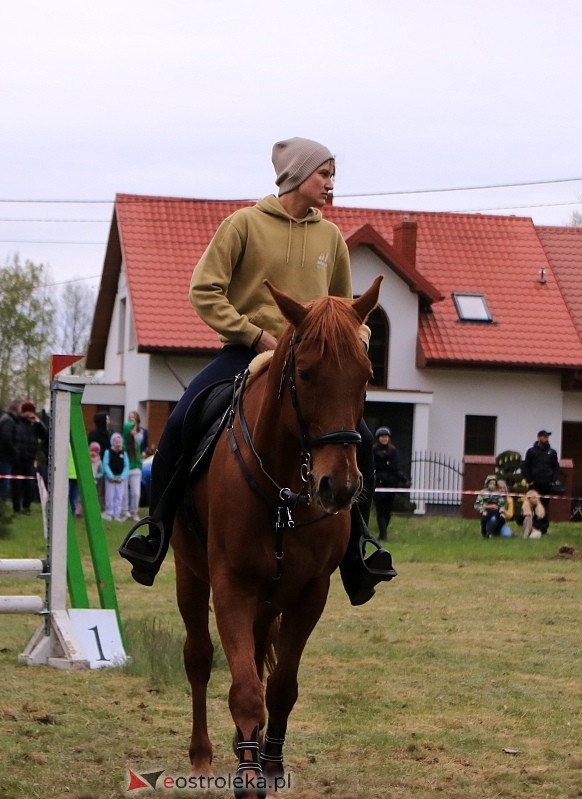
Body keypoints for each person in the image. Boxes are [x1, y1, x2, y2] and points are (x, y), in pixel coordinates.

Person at [120, 136, 395, 604]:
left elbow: (350, 310)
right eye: (323, 174)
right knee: (182, 422)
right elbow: (205, 290)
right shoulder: (242, 225)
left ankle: (356, 552)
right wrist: (255, 335)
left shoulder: (331, 237)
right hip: (246, 352)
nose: (330, 185)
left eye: (333, 176)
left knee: (362, 442)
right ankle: (156, 532)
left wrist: (351, 343)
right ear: (295, 175)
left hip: (311, 364)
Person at [372, 426, 407, 541]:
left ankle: (383, 533)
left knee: (388, 511)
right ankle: (383, 535)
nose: (384, 439)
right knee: (380, 510)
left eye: (386, 437)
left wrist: (403, 479)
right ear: (378, 438)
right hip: (378, 485)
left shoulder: (393, 451)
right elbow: (373, 466)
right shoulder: (373, 451)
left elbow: (395, 467)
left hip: (390, 485)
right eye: (382, 437)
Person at [11, 401, 46, 514]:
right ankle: (17, 507)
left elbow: (45, 435)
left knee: (29, 484)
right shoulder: (17, 423)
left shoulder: (35, 425)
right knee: (17, 484)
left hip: (30, 458)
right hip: (18, 458)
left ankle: (26, 506)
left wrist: (38, 421)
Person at [522, 429, 560, 511]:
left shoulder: (552, 452)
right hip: (534, 483)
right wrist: (529, 479)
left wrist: (553, 479)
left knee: (545, 504)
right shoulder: (531, 451)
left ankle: (543, 522)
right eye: (544, 437)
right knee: (532, 503)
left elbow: (556, 467)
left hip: (547, 483)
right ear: (539, 438)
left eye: (547, 437)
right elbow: (526, 466)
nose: (546, 439)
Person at [123, 412, 145, 521]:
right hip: (126, 470)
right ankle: (125, 512)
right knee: (124, 493)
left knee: (136, 493)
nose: (134, 431)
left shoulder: (136, 443)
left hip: (136, 469)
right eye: (132, 429)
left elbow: (139, 453)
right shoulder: (123, 444)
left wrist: (139, 465)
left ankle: (134, 511)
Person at [102, 432, 129, 521]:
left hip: (120, 479)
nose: (118, 444)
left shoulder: (123, 453)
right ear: (112, 442)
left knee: (119, 496)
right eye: (116, 442)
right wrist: (111, 476)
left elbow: (126, 466)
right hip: (111, 479)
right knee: (110, 496)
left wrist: (122, 477)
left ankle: (117, 514)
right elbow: (105, 464)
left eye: (119, 442)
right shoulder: (108, 452)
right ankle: (109, 513)